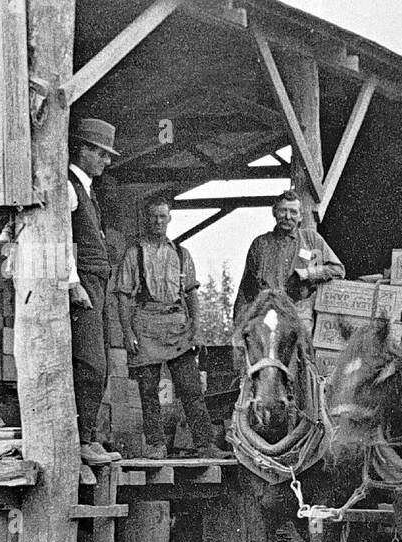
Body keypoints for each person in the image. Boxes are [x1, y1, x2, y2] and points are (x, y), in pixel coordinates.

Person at [111, 196, 227, 459]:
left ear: (169, 219)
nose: (158, 222)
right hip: (146, 323)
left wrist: (196, 328)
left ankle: (204, 443)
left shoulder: (181, 254)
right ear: (146, 219)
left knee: (191, 388)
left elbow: (191, 294)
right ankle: (156, 445)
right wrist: (127, 332)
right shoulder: (135, 253)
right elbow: (123, 296)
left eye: (163, 216)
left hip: (177, 325)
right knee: (149, 390)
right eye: (153, 216)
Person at [232, 189, 344, 365]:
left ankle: (304, 385)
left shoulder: (311, 239)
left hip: (298, 311)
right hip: (266, 312)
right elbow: (246, 290)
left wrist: (308, 274)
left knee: (301, 355)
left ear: (300, 217)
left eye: (293, 212)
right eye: (283, 210)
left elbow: (338, 269)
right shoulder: (260, 244)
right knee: (256, 356)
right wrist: (238, 326)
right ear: (274, 212)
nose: (287, 216)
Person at [66, 117, 122, 465]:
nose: (106, 161)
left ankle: (88, 437)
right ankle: (81, 441)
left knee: (99, 362)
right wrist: (72, 283)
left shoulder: (87, 189)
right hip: (84, 282)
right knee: (90, 363)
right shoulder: (70, 187)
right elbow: (60, 238)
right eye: (101, 154)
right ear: (84, 150)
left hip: (97, 282)